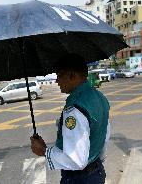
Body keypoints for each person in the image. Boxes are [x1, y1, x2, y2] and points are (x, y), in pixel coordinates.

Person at [30, 53, 110, 184]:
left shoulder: (75, 109)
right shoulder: (99, 97)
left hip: (80, 178)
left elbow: (76, 160)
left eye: (60, 75)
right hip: (96, 171)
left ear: (72, 75)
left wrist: (44, 151)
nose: (57, 81)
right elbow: (104, 136)